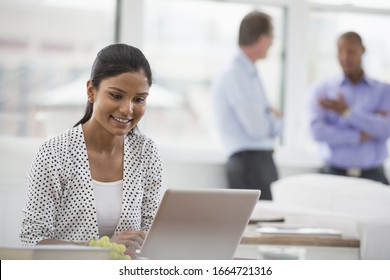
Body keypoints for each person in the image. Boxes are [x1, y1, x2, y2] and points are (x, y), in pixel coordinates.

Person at [20, 43, 162, 257]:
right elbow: (33, 240)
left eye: (139, 99)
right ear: (91, 91)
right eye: (116, 95)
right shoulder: (54, 153)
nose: (127, 109)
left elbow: (153, 235)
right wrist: (98, 249)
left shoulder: (146, 152)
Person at [211, 11, 282, 200]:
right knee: (259, 226)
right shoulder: (237, 75)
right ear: (261, 39)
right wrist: (274, 118)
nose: (272, 45)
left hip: (255, 163)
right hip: (252, 165)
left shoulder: (248, 73)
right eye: (271, 39)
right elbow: (257, 128)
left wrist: (267, 115)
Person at [309, 31, 390, 185]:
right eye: (341, 51)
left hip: (373, 177)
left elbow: (386, 129)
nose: (345, 57)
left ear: (363, 51)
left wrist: (347, 112)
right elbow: (317, 131)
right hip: (333, 174)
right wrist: (359, 135)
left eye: (351, 51)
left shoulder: (384, 91)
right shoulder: (323, 90)